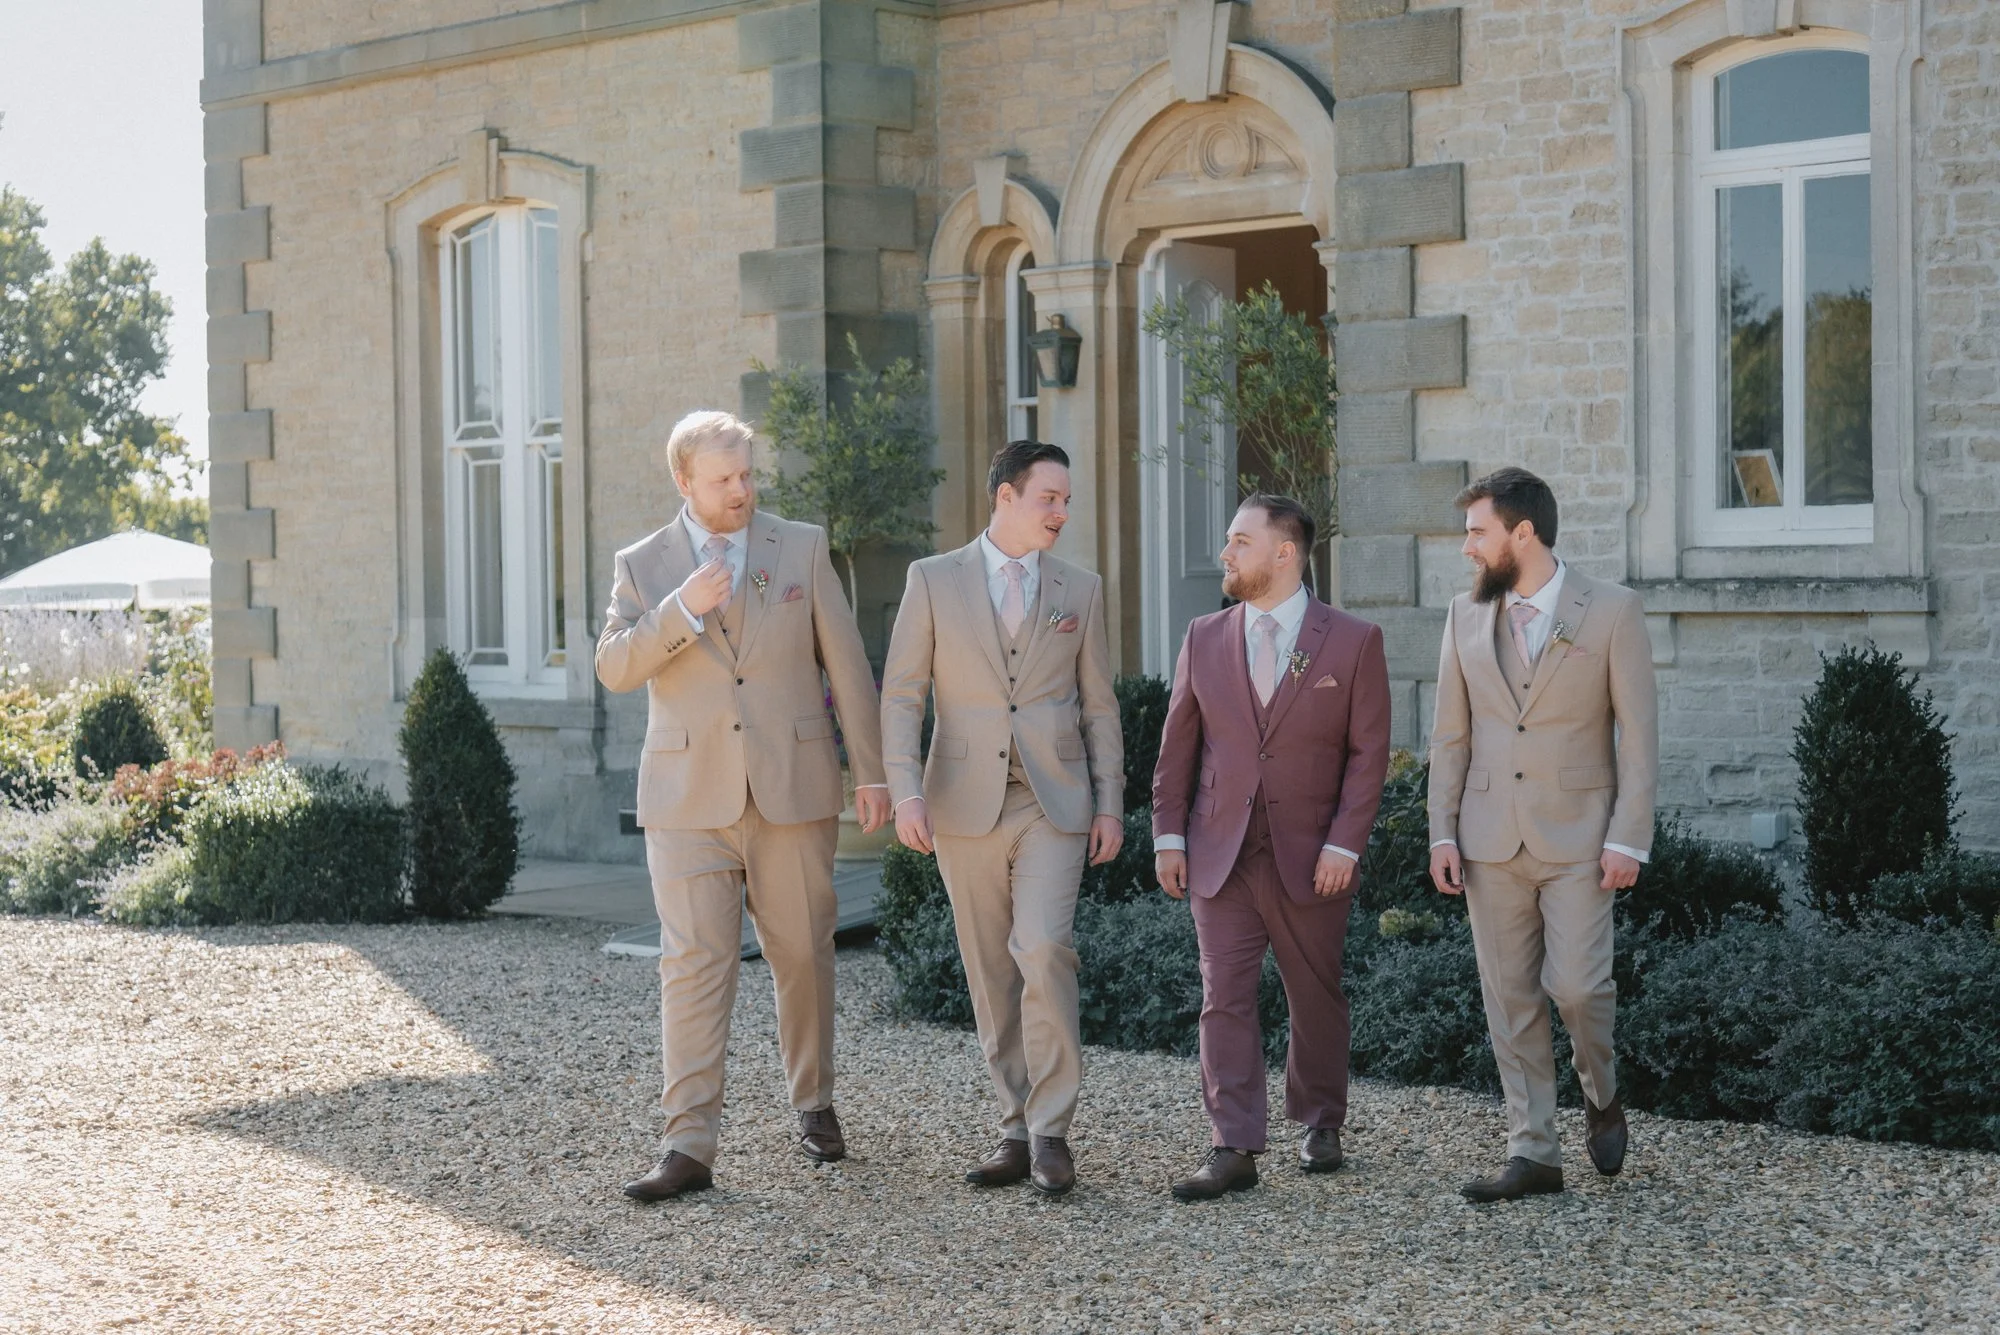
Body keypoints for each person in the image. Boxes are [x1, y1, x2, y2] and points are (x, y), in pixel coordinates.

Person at [596, 409, 889, 1202]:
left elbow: (847, 662)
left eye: (748, 474)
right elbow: (615, 666)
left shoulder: (799, 545)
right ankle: (687, 1144)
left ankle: (814, 1100)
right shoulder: (643, 563)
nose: (742, 490)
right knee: (692, 966)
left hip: (791, 789)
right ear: (684, 481)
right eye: (725, 479)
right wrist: (680, 610)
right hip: (687, 798)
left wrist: (874, 773)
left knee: (802, 952)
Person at [879, 440, 1124, 1196]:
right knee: (990, 968)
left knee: (1043, 946)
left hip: (1053, 801)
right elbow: (901, 694)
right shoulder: (932, 579)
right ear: (1005, 497)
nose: (1062, 511)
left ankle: (1053, 1130)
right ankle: (1014, 1125)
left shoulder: (1080, 589)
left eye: (1067, 500)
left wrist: (1111, 800)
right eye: (1049, 496)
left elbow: (1098, 705)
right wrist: (905, 790)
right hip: (961, 800)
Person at [1426, 467, 1658, 1203]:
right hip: (1489, 837)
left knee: (1578, 988)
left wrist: (1630, 836)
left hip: (1582, 838)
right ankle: (1534, 1152)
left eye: (1477, 531)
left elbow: (1639, 739)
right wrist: (1441, 831)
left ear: (1522, 533)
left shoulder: (1613, 611)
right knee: (1509, 997)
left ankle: (1601, 1088)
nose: (1467, 548)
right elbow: (1451, 736)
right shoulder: (1464, 618)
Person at [1150, 495, 1391, 1201]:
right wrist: (1169, 834)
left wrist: (1345, 844)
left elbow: (1368, 755)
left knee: (1314, 994)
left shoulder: (1351, 640)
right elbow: (1176, 750)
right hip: (1219, 852)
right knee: (1222, 995)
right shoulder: (1203, 635)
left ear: (1284, 552)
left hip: (1311, 854)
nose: (1226, 554)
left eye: (1239, 541)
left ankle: (1320, 1119)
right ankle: (1233, 1143)